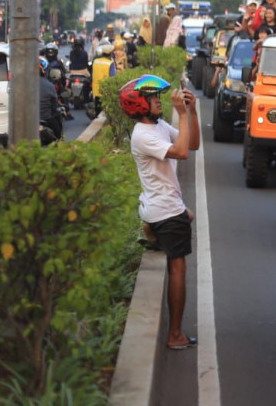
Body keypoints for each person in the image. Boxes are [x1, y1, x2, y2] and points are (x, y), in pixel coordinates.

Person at [123, 75, 201, 352]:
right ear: (139, 104)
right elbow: (181, 153)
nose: (158, 100)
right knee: (178, 268)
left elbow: (192, 144)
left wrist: (190, 112)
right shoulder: (143, 135)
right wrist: (181, 112)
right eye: (153, 97)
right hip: (165, 212)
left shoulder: (156, 126)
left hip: (161, 208)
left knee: (187, 215)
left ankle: (152, 231)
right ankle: (175, 334)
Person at [38, 59, 62, 144]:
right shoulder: (49, 85)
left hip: (28, 120)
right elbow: (54, 106)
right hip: (46, 118)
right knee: (58, 135)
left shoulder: (24, 84)